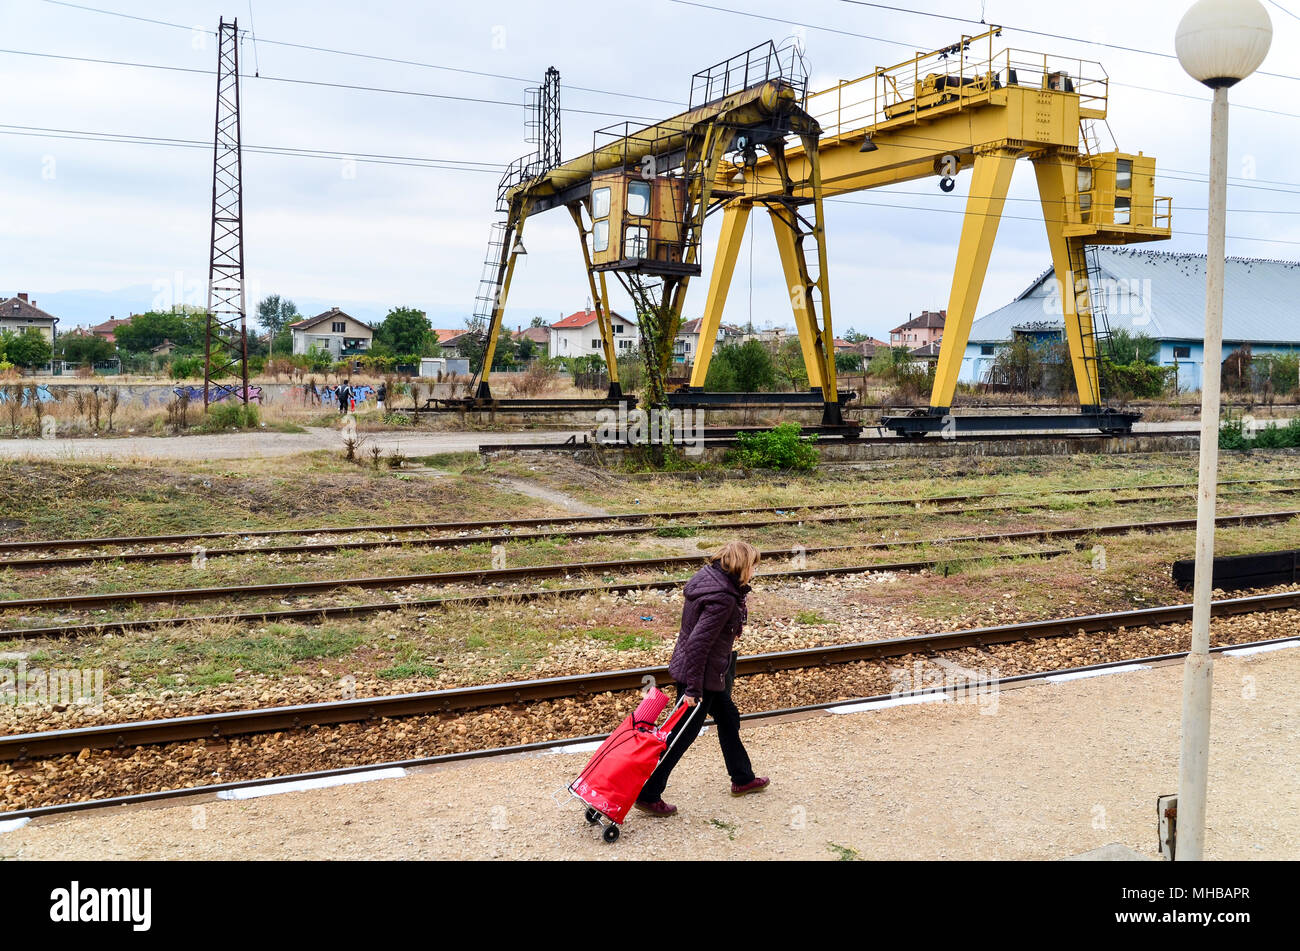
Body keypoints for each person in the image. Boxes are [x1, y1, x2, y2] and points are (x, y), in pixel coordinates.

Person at [636, 540, 769, 817]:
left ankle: (742, 778)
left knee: (729, 718)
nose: (755, 571)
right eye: (753, 566)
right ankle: (648, 793)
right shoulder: (723, 597)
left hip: (708, 674)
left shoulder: (708, 578)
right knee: (681, 735)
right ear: (742, 565)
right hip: (701, 677)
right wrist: (693, 689)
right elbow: (698, 645)